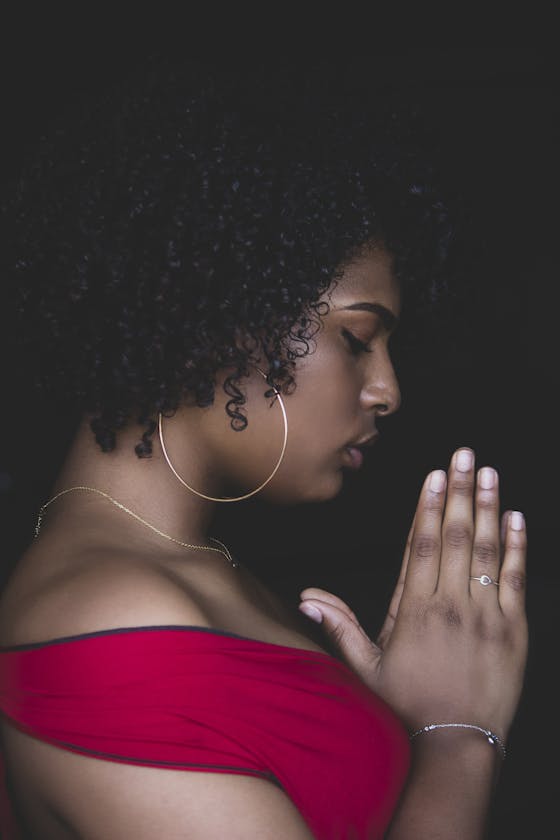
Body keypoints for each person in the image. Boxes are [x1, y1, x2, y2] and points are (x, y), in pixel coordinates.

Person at [0, 57, 528, 839]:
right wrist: (457, 737)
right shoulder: (108, 621)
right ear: (213, 314)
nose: (388, 390)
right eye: (356, 338)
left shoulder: (185, 570)